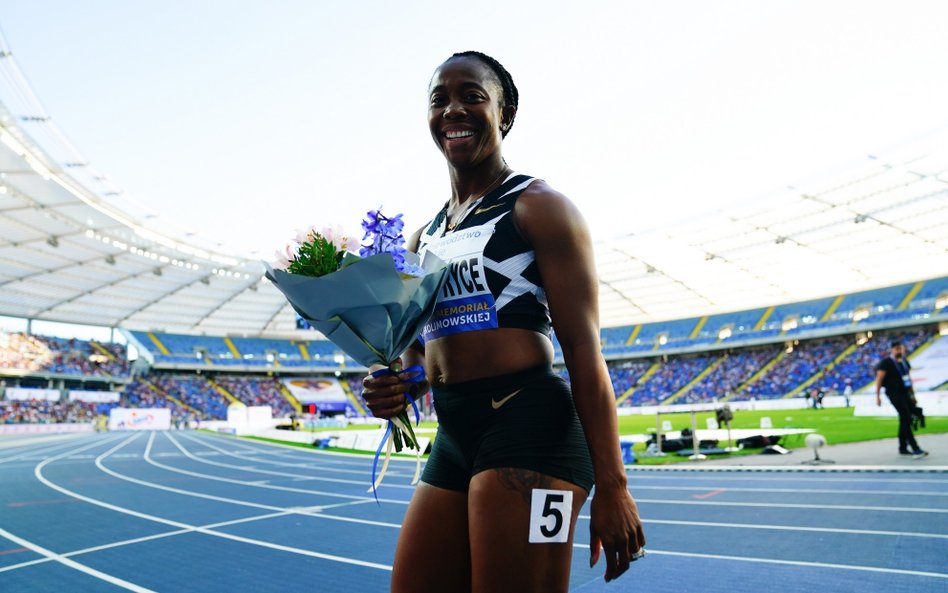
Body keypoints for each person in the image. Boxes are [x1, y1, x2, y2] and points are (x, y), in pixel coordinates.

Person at [361, 51, 644, 592]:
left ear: (505, 114)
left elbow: (585, 354)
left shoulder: (538, 207)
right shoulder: (424, 237)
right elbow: (423, 352)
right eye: (439, 99)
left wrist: (614, 484)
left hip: (530, 426)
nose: (453, 110)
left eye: (472, 96)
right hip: (454, 431)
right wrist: (399, 384)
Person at [876, 341, 927, 459]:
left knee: (905, 418)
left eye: (901, 349)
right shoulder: (886, 363)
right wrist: (877, 396)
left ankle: (903, 447)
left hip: (905, 393)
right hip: (893, 393)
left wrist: (913, 396)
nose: (899, 351)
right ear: (892, 350)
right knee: (906, 417)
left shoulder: (904, 362)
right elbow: (879, 379)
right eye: (896, 349)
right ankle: (915, 448)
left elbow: (909, 379)